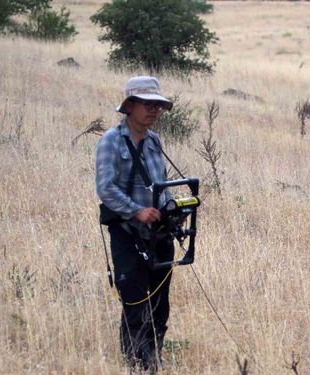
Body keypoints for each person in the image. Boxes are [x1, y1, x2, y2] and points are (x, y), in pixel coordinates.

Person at [95, 76, 174, 371]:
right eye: (147, 104)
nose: (153, 110)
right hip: (127, 232)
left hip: (159, 234)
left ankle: (153, 359)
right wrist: (137, 210)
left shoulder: (155, 141)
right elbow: (105, 188)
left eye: (157, 105)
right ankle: (135, 363)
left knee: (160, 303)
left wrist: (170, 208)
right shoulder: (110, 142)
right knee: (135, 300)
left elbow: (162, 184)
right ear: (129, 106)